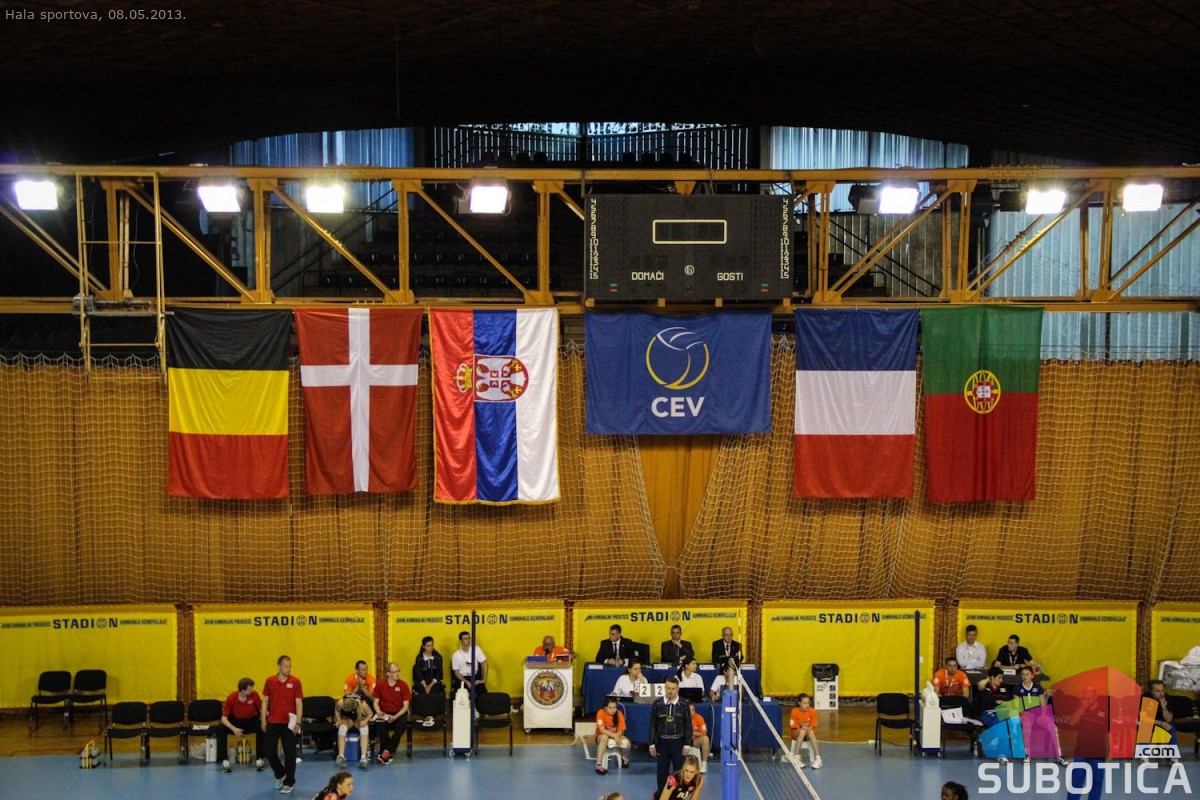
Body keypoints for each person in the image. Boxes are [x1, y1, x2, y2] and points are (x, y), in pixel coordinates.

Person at [261, 654, 303, 794]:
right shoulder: (270, 681)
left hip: (289, 723)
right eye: (286, 666)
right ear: (279, 666)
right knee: (268, 751)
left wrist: (298, 722)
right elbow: (265, 701)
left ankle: (289, 782)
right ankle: (280, 773)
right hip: (273, 722)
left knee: (290, 754)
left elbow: (299, 703)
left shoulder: (296, 681)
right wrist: (263, 720)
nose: (288, 669)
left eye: (290, 666)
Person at [649, 677, 692, 791]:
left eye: (673, 688)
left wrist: (687, 744)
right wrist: (651, 744)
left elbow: (688, 725)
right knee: (662, 771)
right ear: (664, 688)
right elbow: (653, 724)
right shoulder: (657, 704)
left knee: (679, 770)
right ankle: (661, 793)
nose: (670, 691)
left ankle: (679, 793)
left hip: (678, 742)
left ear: (678, 689)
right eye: (668, 688)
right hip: (662, 742)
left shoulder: (684, 704)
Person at [218, 677, 265, 773]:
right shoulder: (232, 697)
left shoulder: (254, 695)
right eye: (250, 688)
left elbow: (261, 710)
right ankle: (224, 760)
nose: (252, 690)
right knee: (221, 728)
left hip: (250, 721)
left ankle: (260, 759)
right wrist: (234, 729)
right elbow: (223, 718)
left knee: (261, 727)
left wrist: (265, 718)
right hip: (236, 722)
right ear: (243, 690)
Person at [372, 661, 411, 765]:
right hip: (384, 712)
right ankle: (387, 753)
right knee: (380, 724)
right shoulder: (380, 684)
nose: (397, 674)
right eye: (394, 672)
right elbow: (375, 702)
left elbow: (405, 706)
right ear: (388, 673)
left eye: (398, 671)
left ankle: (386, 752)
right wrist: (378, 711)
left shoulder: (403, 685)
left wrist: (395, 717)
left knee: (402, 724)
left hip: (399, 713)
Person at [593, 695, 631, 774]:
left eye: (615, 707)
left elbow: (621, 731)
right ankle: (598, 764)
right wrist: (614, 736)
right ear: (605, 708)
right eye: (610, 708)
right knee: (604, 737)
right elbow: (602, 730)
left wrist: (616, 736)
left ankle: (624, 758)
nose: (613, 710)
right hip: (602, 735)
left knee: (628, 744)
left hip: (616, 735)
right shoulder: (600, 713)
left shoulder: (619, 714)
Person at [334, 694, 371, 769]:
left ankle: (363, 757)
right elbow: (337, 711)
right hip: (347, 719)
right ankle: (341, 755)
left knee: (364, 729)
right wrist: (339, 720)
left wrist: (365, 721)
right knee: (342, 728)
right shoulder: (341, 702)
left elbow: (370, 714)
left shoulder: (363, 704)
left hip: (359, 718)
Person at [788, 692, 822, 768]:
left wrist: (808, 729)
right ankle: (796, 758)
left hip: (807, 732)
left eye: (808, 703)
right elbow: (795, 727)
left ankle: (818, 758)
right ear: (799, 703)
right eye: (804, 703)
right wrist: (803, 729)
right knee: (802, 731)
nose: (807, 705)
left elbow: (813, 726)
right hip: (796, 733)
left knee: (811, 732)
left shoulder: (812, 711)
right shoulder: (794, 711)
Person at [450, 630, 488, 698]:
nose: (468, 640)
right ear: (461, 641)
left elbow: (484, 663)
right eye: (465, 638)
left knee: (482, 692)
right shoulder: (456, 655)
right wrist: (466, 682)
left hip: (475, 677)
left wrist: (483, 680)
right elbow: (456, 672)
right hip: (462, 678)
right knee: (461, 694)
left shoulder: (476, 649)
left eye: (469, 638)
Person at [688, 701, 711, 773]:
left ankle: (704, 764)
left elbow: (704, 733)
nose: (691, 712)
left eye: (692, 710)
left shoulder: (699, 718)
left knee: (705, 739)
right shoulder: (681, 717)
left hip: (694, 740)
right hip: (682, 740)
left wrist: (692, 733)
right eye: (689, 710)